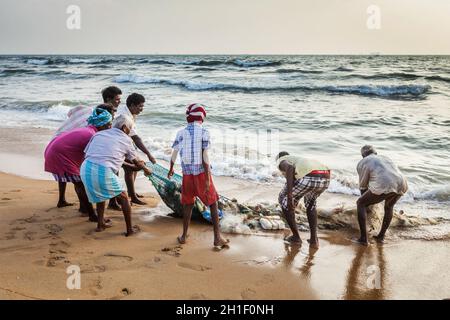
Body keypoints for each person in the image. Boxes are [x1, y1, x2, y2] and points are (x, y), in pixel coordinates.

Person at [168, 103, 229, 250]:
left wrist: (170, 168)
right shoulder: (204, 132)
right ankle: (217, 238)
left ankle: (183, 236)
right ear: (202, 117)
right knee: (213, 202)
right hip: (201, 173)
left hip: (187, 174)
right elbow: (205, 155)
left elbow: (174, 153)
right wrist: (207, 177)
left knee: (188, 203)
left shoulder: (180, 132)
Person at [80, 114, 152, 236]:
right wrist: (146, 169)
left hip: (85, 169)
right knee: (124, 197)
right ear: (124, 128)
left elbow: (92, 154)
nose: (130, 131)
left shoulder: (99, 134)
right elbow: (136, 161)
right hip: (102, 170)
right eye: (130, 128)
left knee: (100, 196)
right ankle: (130, 230)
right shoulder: (126, 139)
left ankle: (100, 224)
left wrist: (136, 166)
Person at [53, 86, 122, 208]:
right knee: (76, 176)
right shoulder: (101, 118)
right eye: (117, 99)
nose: (120, 102)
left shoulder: (94, 111)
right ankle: (88, 207)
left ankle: (63, 200)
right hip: (69, 143)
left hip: (60, 139)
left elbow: (72, 111)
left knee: (65, 172)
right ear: (108, 99)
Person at [44, 107, 113, 221]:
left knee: (80, 184)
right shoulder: (92, 135)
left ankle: (86, 210)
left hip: (53, 150)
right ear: (101, 124)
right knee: (81, 186)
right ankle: (92, 215)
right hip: (59, 156)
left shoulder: (88, 130)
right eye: (109, 124)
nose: (110, 127)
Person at [354, 145, 408, 245]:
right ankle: (381, 236)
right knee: (389, 207)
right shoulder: (385, 158)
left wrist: (366, 206)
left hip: (385, 183)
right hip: (402, 182)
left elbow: (363, 187)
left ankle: (363, 239)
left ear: (363, 156)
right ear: (375, 153)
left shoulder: (363, 162)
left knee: (360, 203)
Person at [276, 151, 330, 248]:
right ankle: (314, 240)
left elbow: (289, 168)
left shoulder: (281, 160)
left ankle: (296, 238)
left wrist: (289, 196)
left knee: (284, 202)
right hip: (325, 177)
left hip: (309, 177)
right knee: (311, 204)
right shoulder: (298, 159)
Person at [113, 93, 156, 207]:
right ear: (132, 105)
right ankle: (131, 196)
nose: (141, 109)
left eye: (142, 106)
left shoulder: (129, 112)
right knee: (131, 168)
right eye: (140, 106)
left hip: (123, 141)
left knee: (134, 167)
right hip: (117, 143)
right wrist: (149, 154)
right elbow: (135, 138)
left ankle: (131, 194)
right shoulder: (124, 116)